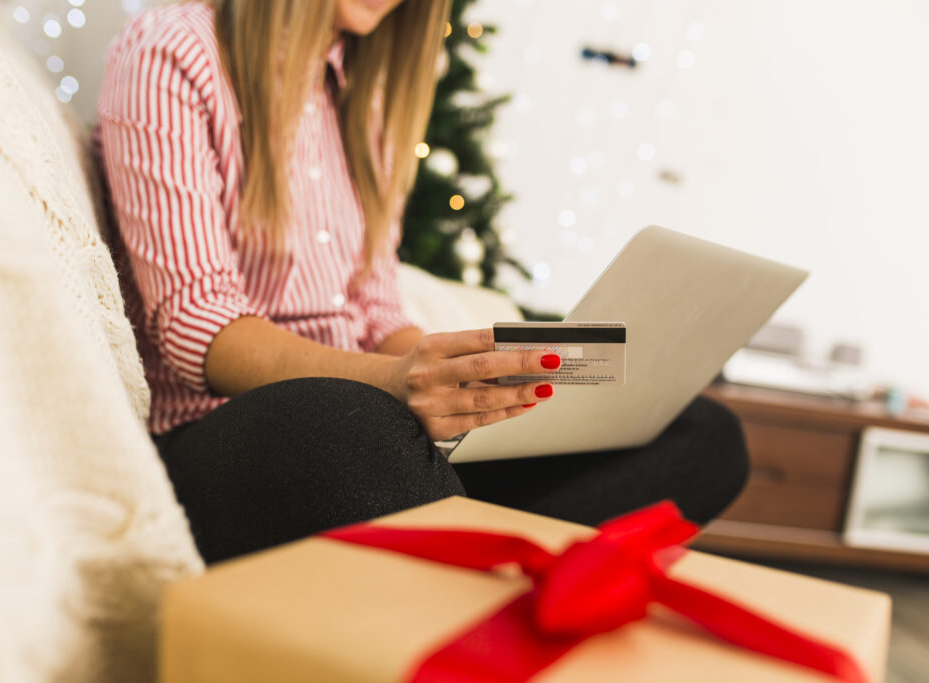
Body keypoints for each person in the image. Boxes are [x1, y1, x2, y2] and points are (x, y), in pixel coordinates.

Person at [98, 0, 748, 565]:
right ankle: (476, 550)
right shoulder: (173, 52)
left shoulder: (364, 97)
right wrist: (393, 382)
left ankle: (463, 550)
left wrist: (462, 377)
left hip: (370, 428)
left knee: (703, 434)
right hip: (232, 432)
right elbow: (198, 326)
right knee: (363, 430)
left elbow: (377, 310)